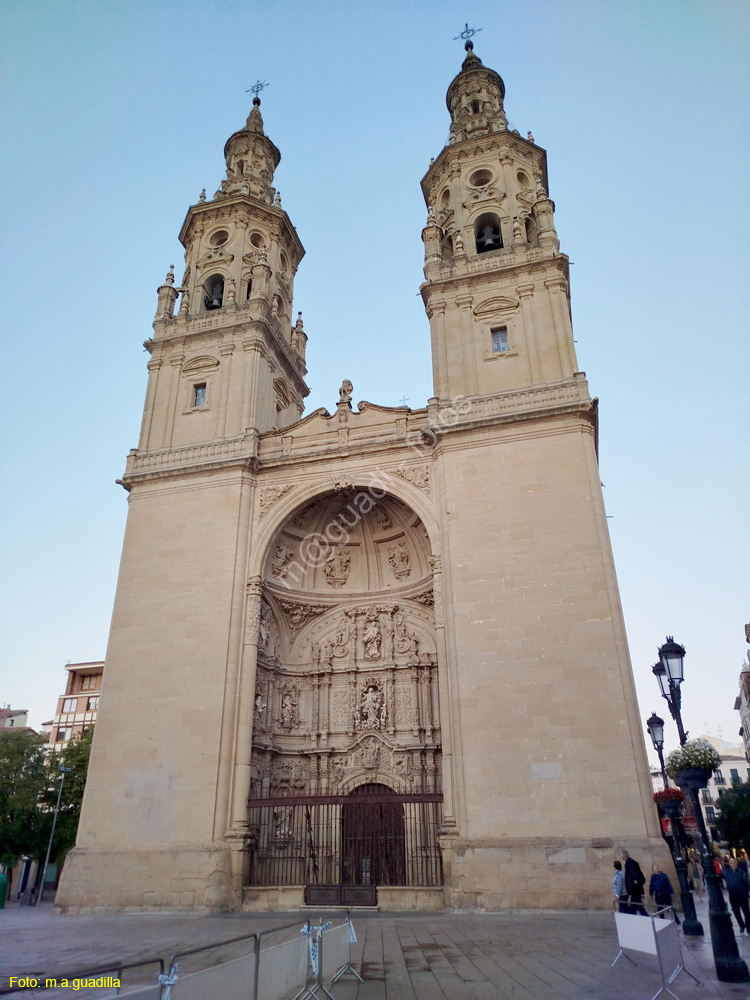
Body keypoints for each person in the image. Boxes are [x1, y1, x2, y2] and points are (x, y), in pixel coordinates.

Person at [725, 858, 750, 933]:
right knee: (736, 912)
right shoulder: (727, 872)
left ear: (737, 863)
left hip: (742, 895)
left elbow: (747, 883)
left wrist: (746, 892)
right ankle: (742, 926)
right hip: (733, 896)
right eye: (731, 863)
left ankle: (749, 928)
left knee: (746, 912)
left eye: (734, 863)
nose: (733, 864)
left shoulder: (741, 872)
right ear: (729, 864)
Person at [621, 850, 648, 915]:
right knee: (639, 907)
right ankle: (647, 919)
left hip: (634, 890)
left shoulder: (629, 863)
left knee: (633, 909)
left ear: (623, 857)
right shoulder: (632, 862)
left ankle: (632, 920)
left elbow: (635, 876)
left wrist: (632, 887)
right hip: (636, 890)